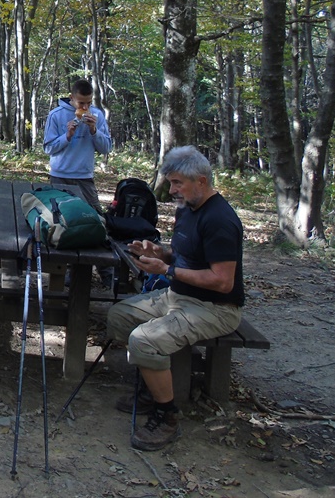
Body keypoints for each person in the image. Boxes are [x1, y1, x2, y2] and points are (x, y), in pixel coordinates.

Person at [106, 146, 244, 451]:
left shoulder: (220, 220)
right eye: (171, 183)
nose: (172, 191)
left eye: (178, 183)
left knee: (144, 340)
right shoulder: (187, 209)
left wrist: (167, 270)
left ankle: (167, 415)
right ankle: (151, 387)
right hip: (179, 296)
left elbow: (223, 281)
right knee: (119, 316)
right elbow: (185, 255)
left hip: (215, 308)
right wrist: (159, 253)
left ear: (202, 181)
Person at [43, 78, 113, 287]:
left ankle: (108, 273)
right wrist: (67, 135)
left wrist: (94, 130)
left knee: (96, 220)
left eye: (89, 102)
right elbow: (48, 148)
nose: (85, 107)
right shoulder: (56, 115)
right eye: (81, 103)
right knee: (61, 223)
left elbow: (106, 148)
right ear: (72, 98)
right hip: (60, 175)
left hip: (84, 177)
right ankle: (64, 270)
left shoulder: (97, 115)